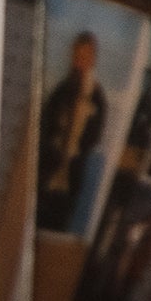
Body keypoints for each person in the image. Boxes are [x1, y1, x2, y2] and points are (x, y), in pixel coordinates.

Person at [38, 31, 107, 233]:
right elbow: (45, 124)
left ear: (93, 59)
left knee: (58, 226)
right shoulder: (61, 90)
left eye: (85, 57)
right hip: (47, 170)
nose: (79, 62)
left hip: (72, 175)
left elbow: (94, 138)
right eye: (77, 56)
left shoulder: (97, 97)